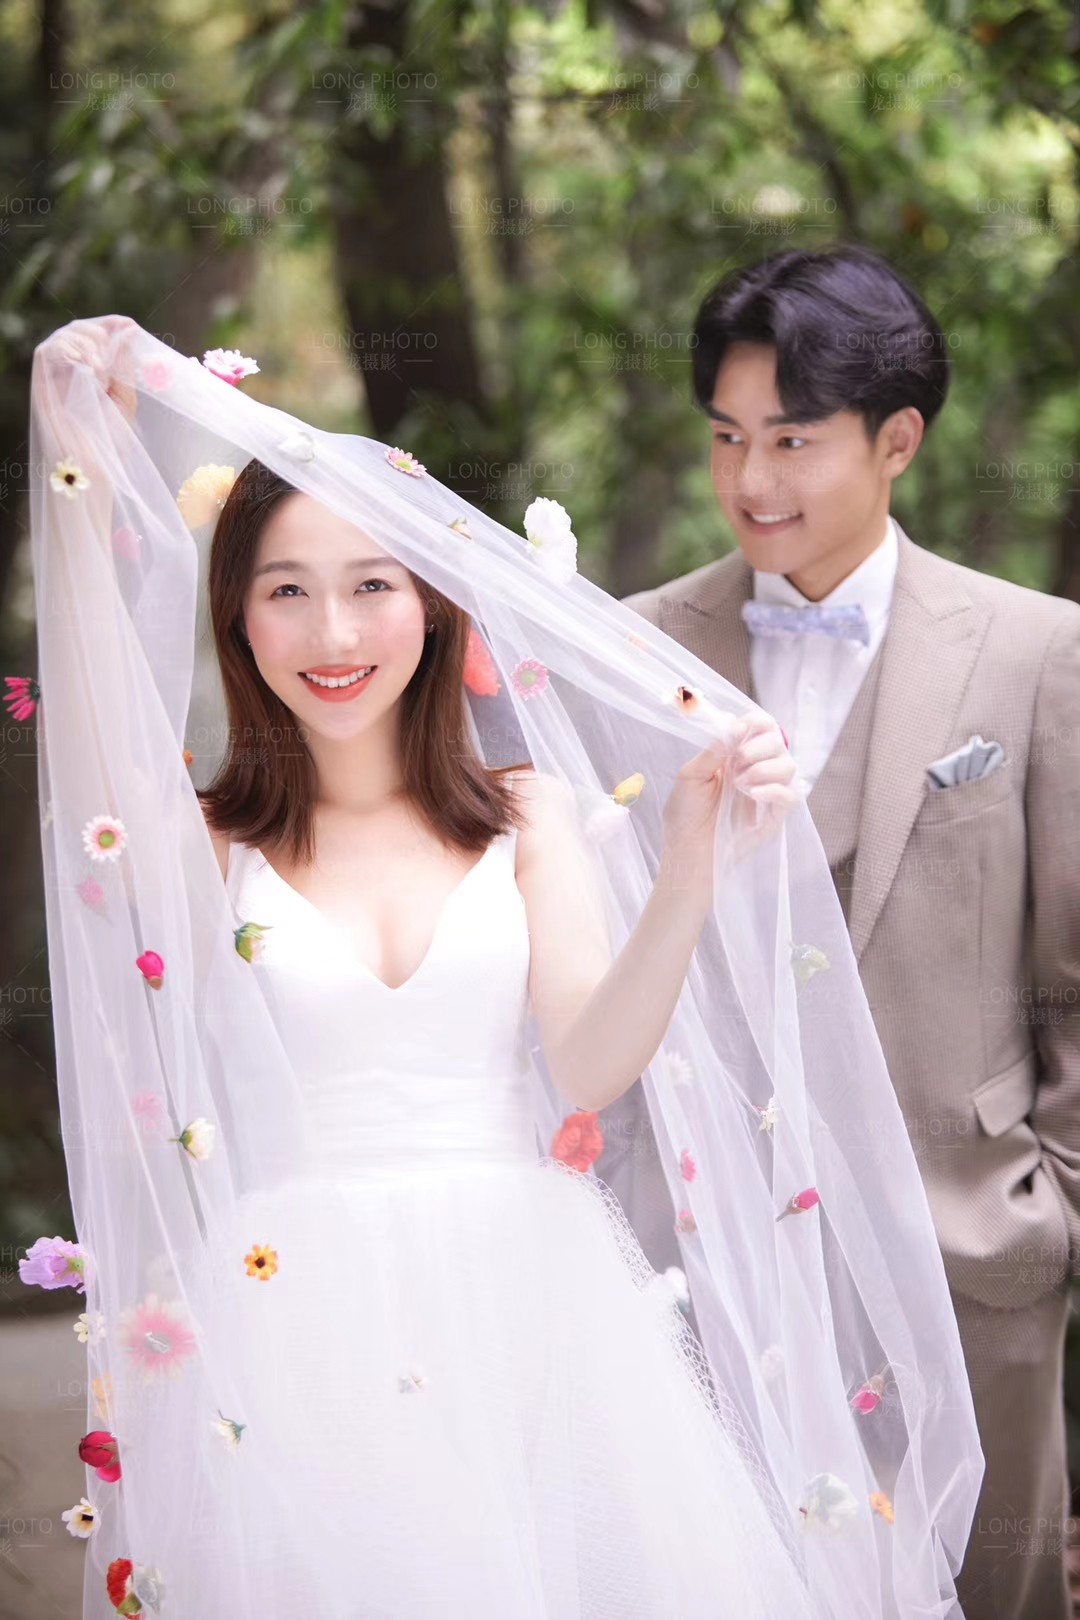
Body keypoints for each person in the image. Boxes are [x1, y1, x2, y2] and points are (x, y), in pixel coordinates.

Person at [26, 315, 983, 1618]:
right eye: (286, 590)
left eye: (372, 584)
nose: (334, 630)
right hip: (298, 1313)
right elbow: (91, 730)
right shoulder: (212, 843)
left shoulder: (523, 813)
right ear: (236, 618)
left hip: (528, 1295)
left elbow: (586, 1065)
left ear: (431, 601)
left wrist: (691, 863)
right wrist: (80, 475)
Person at [620, 243, 1080, 1620]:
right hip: (701, 1260)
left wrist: (1050, 1208)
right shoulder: (634, 649)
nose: (751, 479)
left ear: (897, 441)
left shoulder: (1037, 653)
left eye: (792, 440)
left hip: (969, 1250)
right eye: (727, 436)